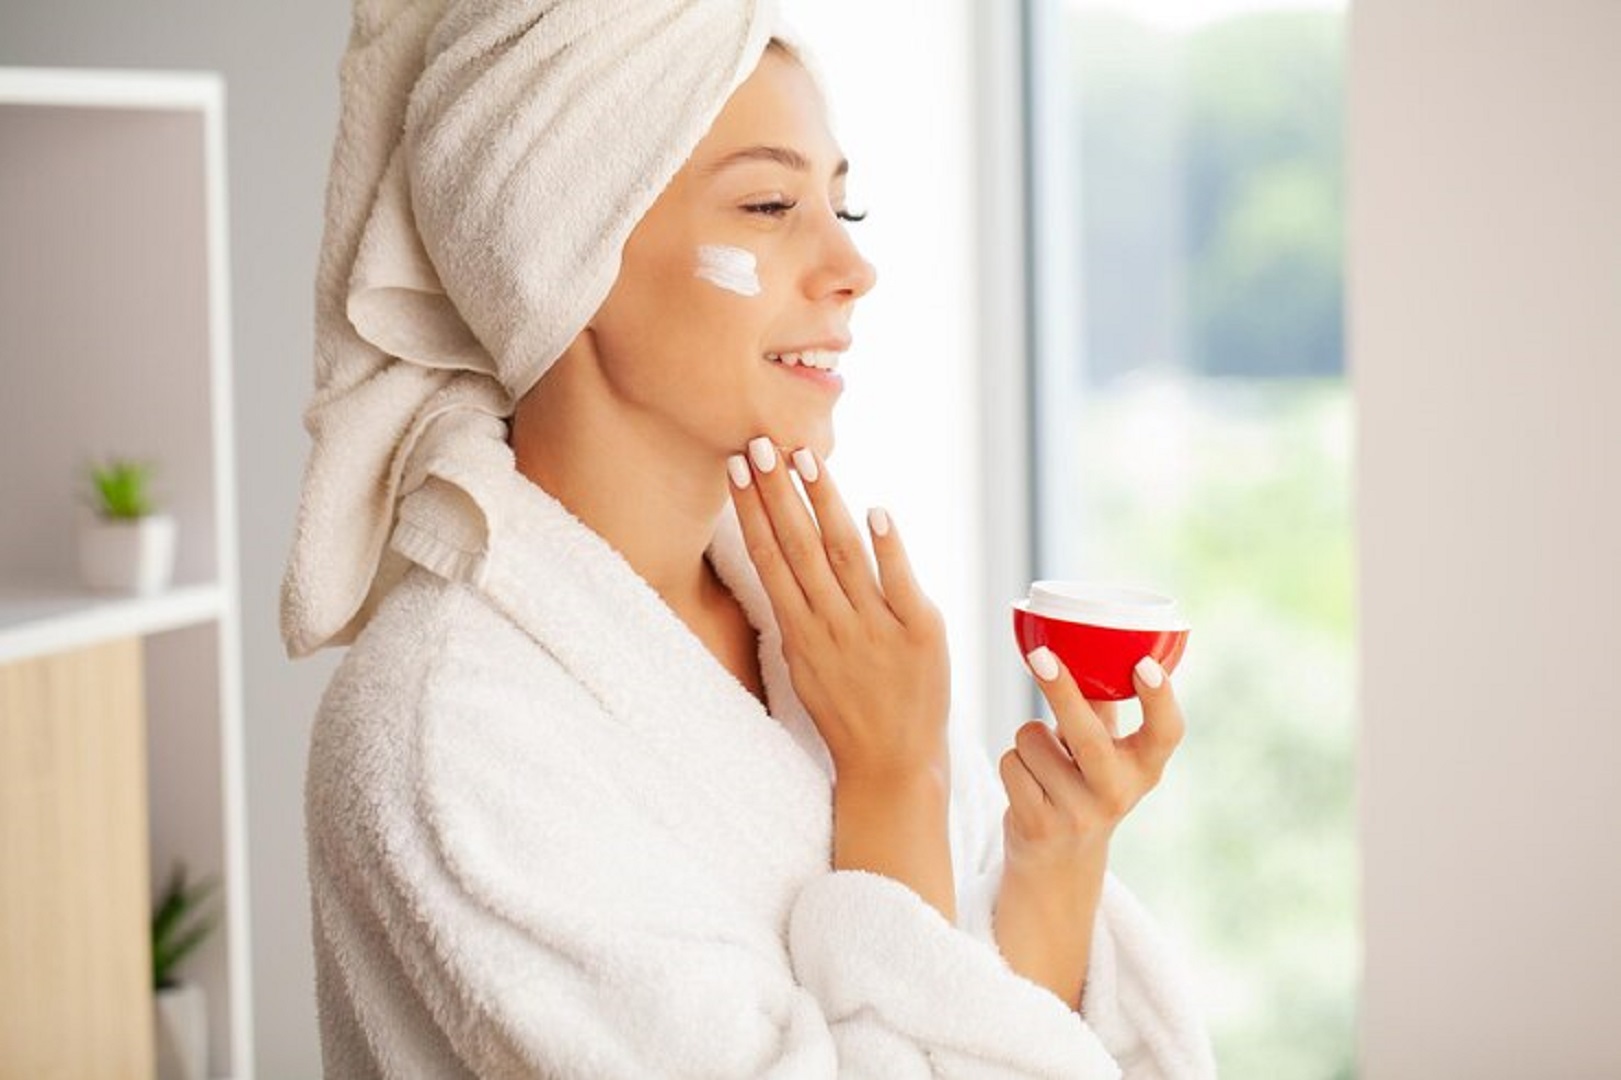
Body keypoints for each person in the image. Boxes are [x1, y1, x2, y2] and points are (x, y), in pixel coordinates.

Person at [285, 2, 1216, 1076]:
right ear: (563, 250)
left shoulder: (824, 642)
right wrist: (891, 781)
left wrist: (1055, 860)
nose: (852, 266)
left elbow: (1003, 1037)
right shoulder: (452, 733)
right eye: (770, 205)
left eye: (841, 205)